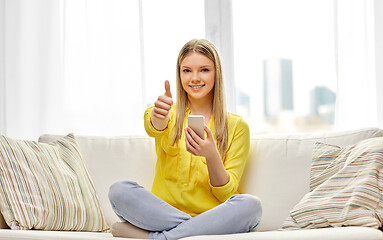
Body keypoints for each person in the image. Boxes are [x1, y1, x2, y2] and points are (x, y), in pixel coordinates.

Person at [108, 39, 262, 240]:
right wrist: (158, 117)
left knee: (251, 206)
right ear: (179, 74)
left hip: (214, 216)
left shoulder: (237, 127)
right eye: (187, 70)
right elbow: (154, 126)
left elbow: (227, 195)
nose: (195, 78)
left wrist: (211, 155)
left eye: (204, 70)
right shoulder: (167, 115)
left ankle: (157, 238)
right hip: (164, 216)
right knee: (119, 190)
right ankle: (190, 232)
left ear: (217, 74)